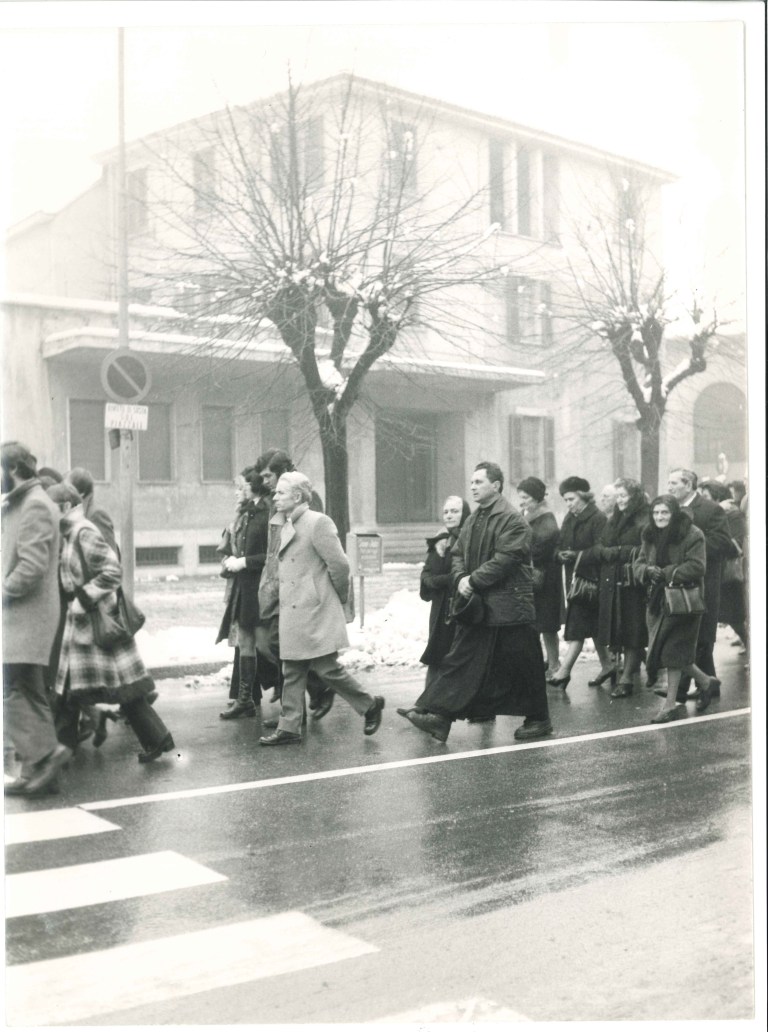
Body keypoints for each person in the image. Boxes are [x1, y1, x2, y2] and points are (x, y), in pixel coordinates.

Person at [400, 462, 553, 744]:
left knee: (525, 664)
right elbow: (457, 552)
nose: (472, 487)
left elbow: (505, 559)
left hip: (511, 608)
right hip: (482, 604)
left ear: (496, 485)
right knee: (461, 659)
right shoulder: (475, 519)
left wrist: (472, 581)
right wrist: (460, 578)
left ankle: (539, 719)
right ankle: (439, 718)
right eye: (471, 482)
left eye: (479, 482)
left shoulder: (511, 519)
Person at [258, 472, 384, 746]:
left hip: (315, 610)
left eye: (281, 492)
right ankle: (289, 727)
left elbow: (340, 566)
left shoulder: (318, 522)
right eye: (275, 492)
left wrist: (335, 600)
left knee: (327, 670)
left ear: (298, 496)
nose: (275, 496)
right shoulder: (284, 522)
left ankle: (370, 704)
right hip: (294, 610)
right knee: (291, 668)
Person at [53, 486, 176, 763]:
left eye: (52, 506)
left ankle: (59, 749)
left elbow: (112, 571)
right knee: (94, 685)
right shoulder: (71, 533)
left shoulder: (83, 533)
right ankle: (156, 737)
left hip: (95, 622)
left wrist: (83, 599)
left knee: (103, 686)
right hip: (86, 622)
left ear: (64, 506)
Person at [2, 442, 71, 796]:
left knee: (15, 690)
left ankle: (47, 753)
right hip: (22, 615)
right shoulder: (21, 504)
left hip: (28, 615)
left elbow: (31, 567)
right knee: (26, 689)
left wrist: (2, 590)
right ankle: (37, 772)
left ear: (12, 469)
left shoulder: (35, 506)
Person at [256, 449, 332, 722]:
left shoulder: (306, 499)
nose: (266, 482)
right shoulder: (274, 501)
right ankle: (295, 711)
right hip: (278, 582)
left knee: (283, 643)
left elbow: (313, 543)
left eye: (269, 475)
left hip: (300, 585)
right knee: (275, 644)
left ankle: (318, 689)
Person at [634, 494, 718, 722]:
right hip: (657, 601)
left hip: (684, 602)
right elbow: (639, 562)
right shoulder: (649, 534)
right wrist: (646, 571)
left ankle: (669, 706)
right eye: (656, 513)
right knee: (667, 652)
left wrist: (668, 572)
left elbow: (697, 567)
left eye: (665, 512)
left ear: (674, 514)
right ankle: (706, 682)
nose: (659, 517)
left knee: (673, 653)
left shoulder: (692, 534)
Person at [666, 468, 735, 702]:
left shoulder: (710, 509)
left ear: (689, 484)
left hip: (704, 582)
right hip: (680, 581)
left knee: (701, 634)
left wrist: (692, 550)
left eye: (674, 482)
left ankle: (693, 688)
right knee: (687, 631)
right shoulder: (673, 510)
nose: (669, 487)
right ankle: (701, 685)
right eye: (669, 483)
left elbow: (722, 542)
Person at [217, 467, 272, 719]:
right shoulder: (249, 513)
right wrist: (233, 559)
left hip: (259, 589)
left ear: (254, 486)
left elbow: (271, 556)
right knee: (246, 642)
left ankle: (311, 687)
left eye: (244, 486)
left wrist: (244, 562)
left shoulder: (265, 513)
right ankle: (245, 699)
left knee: (267, 647)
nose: (240, 491)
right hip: (245, 589)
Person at [550, 476, 612, 689]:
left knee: (577, 625)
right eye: (565, 500)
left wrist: (576, 555)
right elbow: (559, 544)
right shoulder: (569, 517)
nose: (568, 504)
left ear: (583, 496)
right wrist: (559, 555)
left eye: (571, 499)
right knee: (591, 626)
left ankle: (564, 671)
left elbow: (601, 549)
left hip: (592, 581)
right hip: (575, 580)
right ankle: (607, 665)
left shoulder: (598, 518)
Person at [595, 478, 650, 698]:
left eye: (623, 496)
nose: (620, 501)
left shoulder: (643, 516)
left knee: (633, 626)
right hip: (614, 580)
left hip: (633, 581)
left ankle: (627, 678)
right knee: (619, 626)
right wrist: (608, 551)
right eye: (617, 496)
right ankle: (647, 667)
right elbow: (603, 541)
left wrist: (617, 551)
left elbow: (644, 547)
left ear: (634, 496)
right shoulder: (616, 517)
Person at [418, 495, 471, 689]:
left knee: (456, 655)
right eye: (446, 512)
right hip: (440, 607)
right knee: (436, 653)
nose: (449, 516)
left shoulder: (468, 537)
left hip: (458, 606)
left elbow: (457, 575)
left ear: (464, 513)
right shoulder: (439, 539)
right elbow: (426, 574)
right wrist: (434, 580)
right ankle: (428, 703)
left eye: (455, 511)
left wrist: (436, 580)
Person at [517, 476, 561, 676]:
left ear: (535, 497)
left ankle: (554, 664)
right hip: (535, 576)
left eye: (525, 496)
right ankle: (546, 661)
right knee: (537, 622)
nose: (522, 500)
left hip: (545, 577)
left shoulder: (545, 517)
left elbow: (541, 546)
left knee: (547, 624)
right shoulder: (529, 515)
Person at [701, 480, 748, 654]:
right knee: (730, 616)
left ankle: (753, 648)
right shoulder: (716, 513)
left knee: (735, 616)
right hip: (721, 572)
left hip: (729, 572)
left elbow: (736, 542)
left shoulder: (730, 513)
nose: (703, 500)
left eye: (706, 496)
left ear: (717, 496)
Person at [65, 466, 118, 554]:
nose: (65, 493)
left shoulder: (96, 515)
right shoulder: (80, 514)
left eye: (68, 489)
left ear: (81, 493)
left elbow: (110, 555)